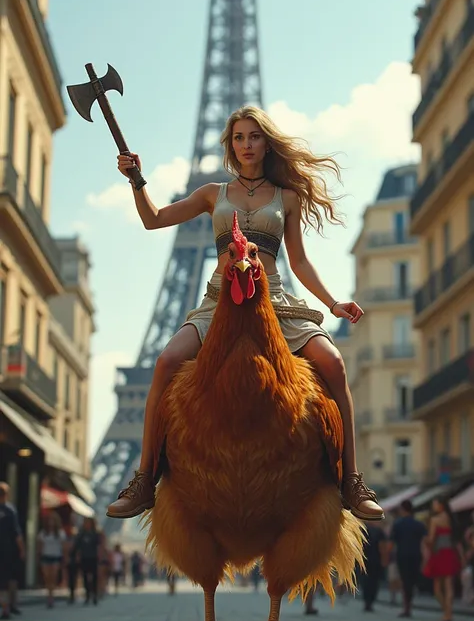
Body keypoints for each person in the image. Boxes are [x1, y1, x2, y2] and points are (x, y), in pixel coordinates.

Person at [106, 105, 384, 523]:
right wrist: (136, 180)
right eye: (239, 137)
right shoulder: (211, 194)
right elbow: (154, 219)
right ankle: (145, 478)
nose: (246, 144)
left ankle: (352, 480)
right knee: (164, 362)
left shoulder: (285, 197)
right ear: (230, 145)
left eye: (254, 136)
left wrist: (332, 304)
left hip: (274, 302)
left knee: (335, 363)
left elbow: (301, 263)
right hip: (219, 302)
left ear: (266, 142)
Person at [423, 497, 462, 621]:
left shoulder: (435, 520)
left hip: (438, 554)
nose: (433, 507)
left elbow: (431, 539)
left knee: (437, 589)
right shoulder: (450, 519)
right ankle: (449, 612)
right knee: (449, 585)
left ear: (441, 506)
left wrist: (425, 541)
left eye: (435, 504)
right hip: (450, 552)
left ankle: (446, 611)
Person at [390, 500, 427, 618]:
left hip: (402, 555)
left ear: (402, 509)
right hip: (416, 555)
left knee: (405, 581)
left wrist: (388, 556)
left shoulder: (397, 524)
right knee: (412, 581)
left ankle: (406, 607)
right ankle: (409, 603)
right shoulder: (419, 524)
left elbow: (391, 543)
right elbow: (425, 542)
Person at [0, 485, 24, 620]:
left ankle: (6, 607)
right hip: (9, 550)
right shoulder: (10, 510)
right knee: (10, 579)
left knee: (2, 582)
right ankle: (9, 607)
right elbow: (17, 533)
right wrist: (22, 549)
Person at [37, 511, 66, 609]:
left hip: (55, 557)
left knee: (53, 577)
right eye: (49, 520)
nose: (51, 523)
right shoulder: (43, 533)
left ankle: (51, 597)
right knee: (47, 578)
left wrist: (64, 558)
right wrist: (39, 557)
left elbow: (63, 547)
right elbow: (40, 546)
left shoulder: (60, 533)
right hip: (46, 556)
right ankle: (49, 594)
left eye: (53, 521)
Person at [360, 521, 388, 612]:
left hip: (364, 560)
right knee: (374, 581)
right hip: (376, 560)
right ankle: (370, 601)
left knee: (365, 580)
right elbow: (382, 547)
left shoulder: (363, 530)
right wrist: (384, 559)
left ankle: (366, 600)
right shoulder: (379, 531)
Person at [73, 517, 101, 605]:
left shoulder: (95, 534)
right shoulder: (81, 534)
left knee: (94, 577)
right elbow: (77, 546)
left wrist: (100, 555)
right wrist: (77, 555)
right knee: (85, 577)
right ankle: (87, 595)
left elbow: (99, 545)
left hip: (93, 557)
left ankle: (95, 595)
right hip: (84, 557)